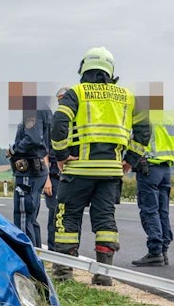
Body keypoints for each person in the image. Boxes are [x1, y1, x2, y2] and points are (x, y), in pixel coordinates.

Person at [49, 47, 150, 285]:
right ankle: (104, 275)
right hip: (110, 172)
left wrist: (62, 155)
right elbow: (144, 131)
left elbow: (59, 123)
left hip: (78, 170)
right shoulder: (127, 96)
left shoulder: (77, 93)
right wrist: (130, 161)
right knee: (106, 221)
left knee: (67, 220)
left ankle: (64, 275)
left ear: (84, 67)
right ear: (110, 69)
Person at [132, 108, 174, 266]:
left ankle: (155, 251)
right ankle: (164, 250)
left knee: (149, 210)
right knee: (163, 211)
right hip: (166, 168)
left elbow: (139, 137)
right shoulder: (170, 116)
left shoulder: (147, 114)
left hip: (150, 167)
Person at [7, 108, 51, 247]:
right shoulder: (45, 109)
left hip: (29, 171)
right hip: (37, 170)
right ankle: (37, 256)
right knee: (31, 219)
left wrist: (13, 150)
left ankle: (26, 259)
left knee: (23, 218)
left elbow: (33, 138)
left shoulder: (33, 109)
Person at [43, 87, 68, 243]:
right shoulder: (52, 122)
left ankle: (68, 253)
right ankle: (54, 251)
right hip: (54, 175)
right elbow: (43, 151)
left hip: (72, 175)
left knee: (69, 216)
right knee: (55, 214)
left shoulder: (77, 122)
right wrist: (46, 179)